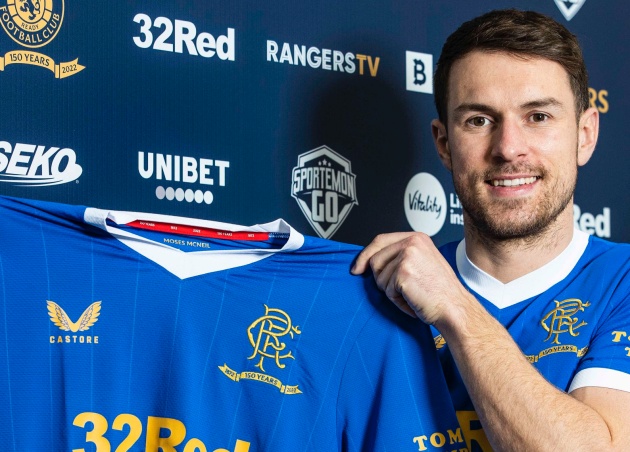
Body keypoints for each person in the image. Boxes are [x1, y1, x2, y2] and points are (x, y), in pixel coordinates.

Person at [352, 9, 630, 451]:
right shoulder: (377, 292)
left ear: (585, 135)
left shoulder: (621, 282)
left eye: (538, 116)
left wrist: (454, 307)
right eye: (479, 121)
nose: (508, 148)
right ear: (444, 143)